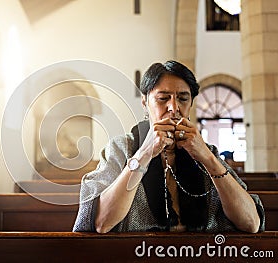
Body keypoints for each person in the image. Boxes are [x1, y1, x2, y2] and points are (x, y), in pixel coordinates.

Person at [73, 60, 264, 233]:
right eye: (163, 98)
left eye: (183, 98)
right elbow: (101, 222)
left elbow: (251, 223)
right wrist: (145, 153)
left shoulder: (208, 152)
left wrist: (208, 159)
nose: (174, 108)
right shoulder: (122, 148)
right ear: (144, 102)